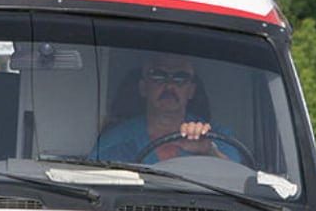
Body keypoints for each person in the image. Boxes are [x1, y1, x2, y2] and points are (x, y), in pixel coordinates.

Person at [90, 53, 239, 163]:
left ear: (191, 90)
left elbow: (239, 184)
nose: (169, 86)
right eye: (158, 76)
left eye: (180, 78)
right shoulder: (114, 141)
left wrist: (209, 152)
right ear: (143, 88)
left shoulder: (216, 137)